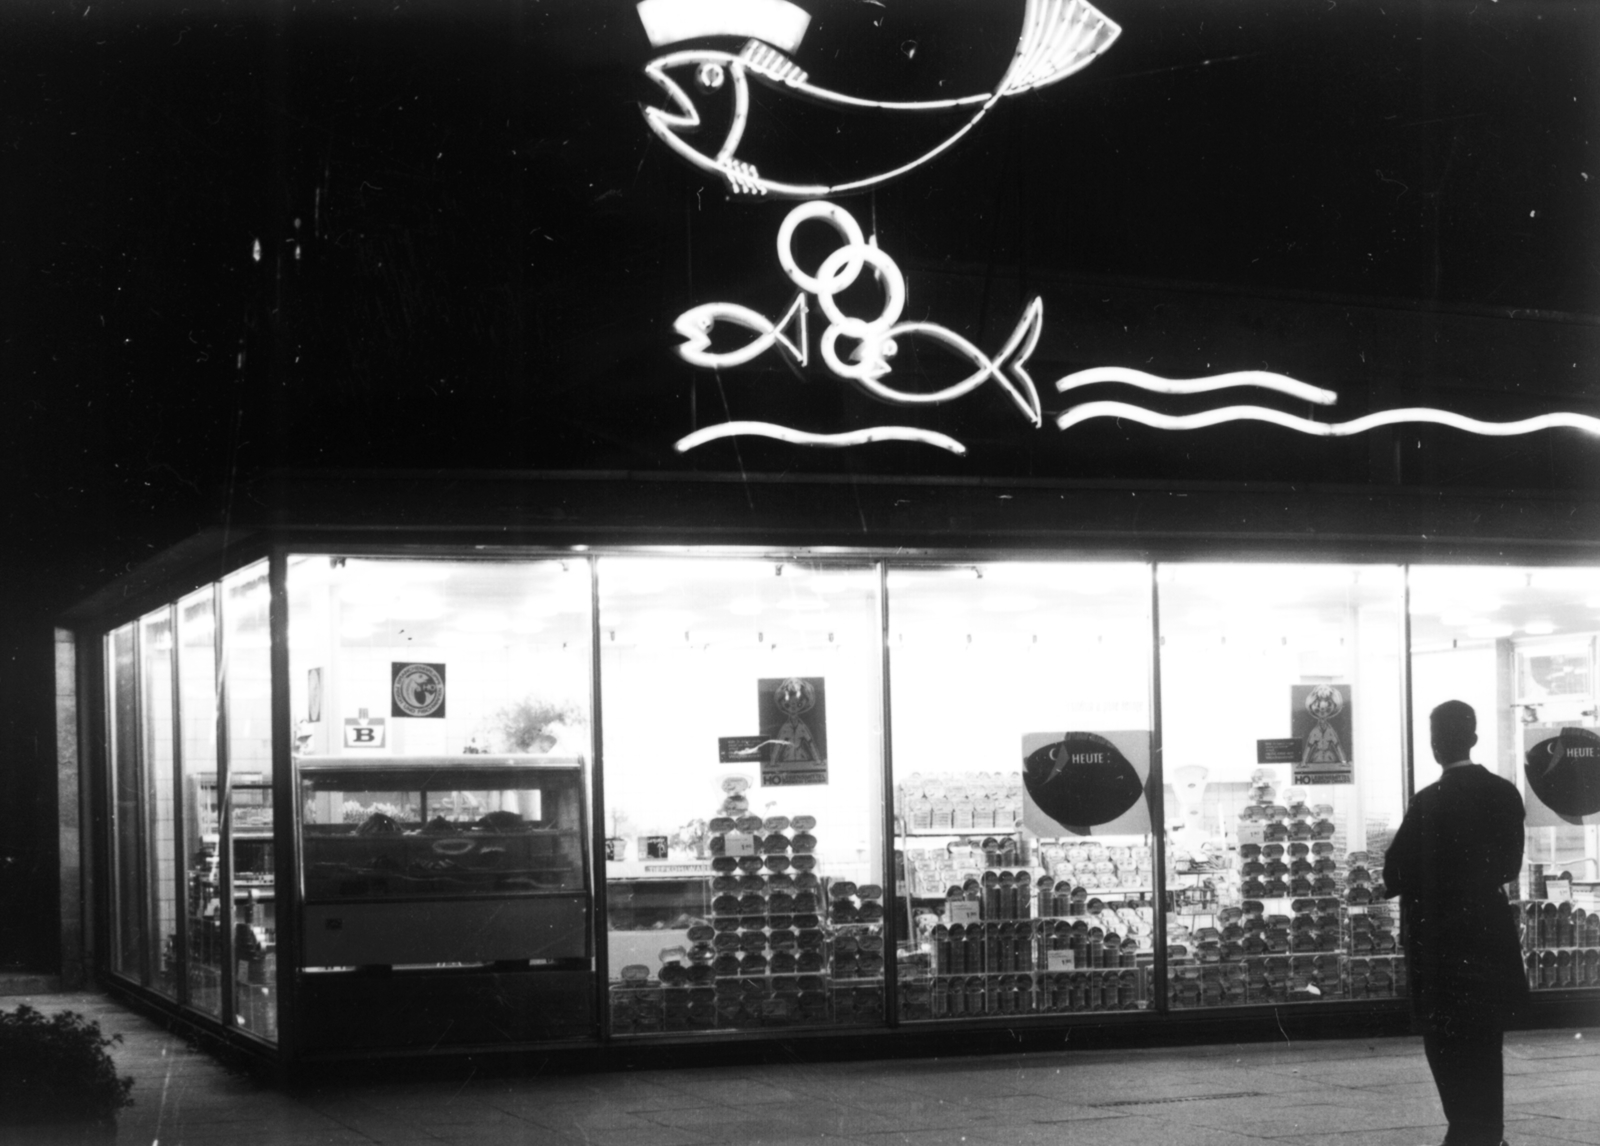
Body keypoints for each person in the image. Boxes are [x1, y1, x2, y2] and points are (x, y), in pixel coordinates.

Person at [1382, 700, 1528, 1146]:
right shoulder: (1504, 793)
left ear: (1434, 746)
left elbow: (1394, 873)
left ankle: (1469, 1130)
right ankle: (1486, 1132)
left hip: (1439, 940)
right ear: (1474, 738)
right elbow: (1509, 865)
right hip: (1487, 933)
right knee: (1487, 1042)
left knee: (1443, 1043)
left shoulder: (1429, 801)